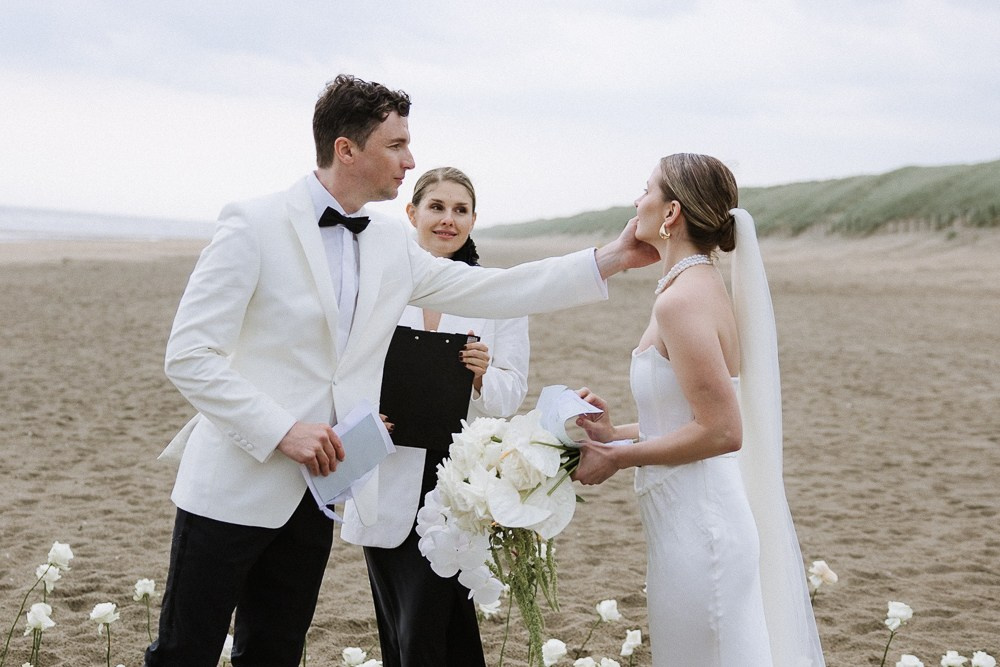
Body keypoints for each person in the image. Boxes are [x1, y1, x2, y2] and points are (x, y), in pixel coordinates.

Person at [148, 74, 657, 666]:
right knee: (184, 651)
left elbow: (495, 289)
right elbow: (188, 355)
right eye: (396, 146)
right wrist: (284, 430)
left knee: (274, 652)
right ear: (347, 149)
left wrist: (612, 258)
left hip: (320, 489)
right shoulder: (253, 224)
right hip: (232, 483)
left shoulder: (390, 242)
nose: (409, 159)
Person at [572, 153, 825, 666]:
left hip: (703, 527)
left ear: (671, 214)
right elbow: (687, 419)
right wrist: (613, 432)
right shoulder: (687, 286)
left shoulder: (682, 300)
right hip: (682, 519)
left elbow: (723, 432)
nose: (635, 200)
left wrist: (621, 458)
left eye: (646, 189)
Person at [341, 166, 529, 666]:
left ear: (472, 220)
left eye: (460, 210)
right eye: (437, 208)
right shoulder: (374, 287)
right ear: (412, 213)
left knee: (429, 623)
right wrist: (364, 418)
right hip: (385, 467)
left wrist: (483, 374)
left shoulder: (496, 293)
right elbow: (343, 375)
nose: (448, 220)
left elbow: (510, 396)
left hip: (457, 486)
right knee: (403, 624)